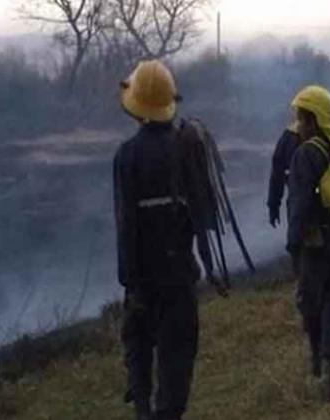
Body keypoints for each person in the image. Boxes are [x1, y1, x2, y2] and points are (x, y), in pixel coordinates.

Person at [114, 59, 218, 420]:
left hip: (142, 282)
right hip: (179, 278)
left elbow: (126, 226)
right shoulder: (187, 147)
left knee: (139, 353)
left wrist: (131, 283)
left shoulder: (126, 156)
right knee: (176, 362)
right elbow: (204, 218)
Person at [287, 85, 330, 402]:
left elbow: (299, 206)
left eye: (300, 118)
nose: (297, 125)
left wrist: (293, 246)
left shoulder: (306, 154)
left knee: (311, 305)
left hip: (315, 247)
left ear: (312, 119)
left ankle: (316, 362)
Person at [267, 122, 300, 228]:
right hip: (300, 202)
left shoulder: (290, 135)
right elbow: (277, 173)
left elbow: (277, 174)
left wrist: (273, 205)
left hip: (299, 203)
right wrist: (273, 205)